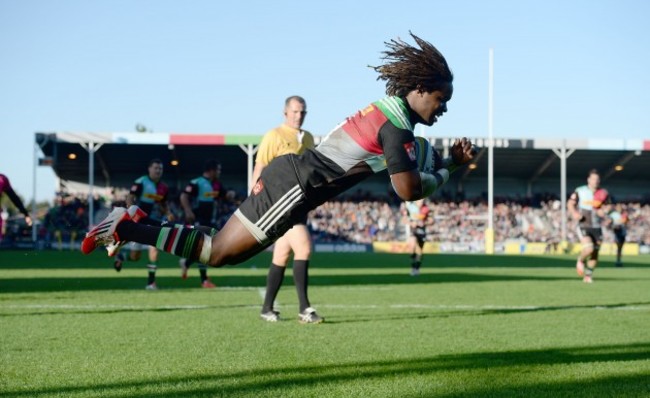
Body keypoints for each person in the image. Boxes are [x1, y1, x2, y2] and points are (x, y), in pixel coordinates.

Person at [82, 32, 476, 306]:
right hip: (295, 186)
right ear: (420, 89)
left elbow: (397, 163)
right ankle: (125, 226)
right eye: (441, 99)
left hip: (293, 181)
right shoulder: (397, 126)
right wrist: (450, 168)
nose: (443, 108)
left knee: (221, 249)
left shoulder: (387, 111)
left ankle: (134, 221)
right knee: (220, 254)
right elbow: (407, 190)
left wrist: (437, 161)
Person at [252, 95, 321, 323]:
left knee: (282, 254)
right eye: (294, 111)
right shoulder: (274, 135)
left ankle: (267, 308)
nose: (298, 116)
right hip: (280, 203)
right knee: (304, 247)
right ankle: (305, 308)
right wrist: (254, 201)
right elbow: (260, 166)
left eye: (302, 112)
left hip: (299, 202)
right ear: (285, 113)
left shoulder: (308, 138)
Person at [112, 159, 174, 290]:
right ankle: (122, 256)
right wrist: (131, 210)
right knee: (135, 257)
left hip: (153, 221)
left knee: (154, 248)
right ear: (149, 169)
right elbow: (130, 198)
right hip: (138, 222)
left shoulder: (164, 187)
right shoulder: (141, 182)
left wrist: (168, 213)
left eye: (160, 169)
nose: (158, 171)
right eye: (156, 168)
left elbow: (163, 204)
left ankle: (151, 283)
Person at [178, 159, 224, 288]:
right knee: (205, 247)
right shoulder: (197, 183)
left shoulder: (217, 184)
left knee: (206, 249)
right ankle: (204, 280)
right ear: (211, 170)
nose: (220, 172)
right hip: (199, 220)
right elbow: (183, 196)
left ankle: (186, 264)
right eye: (218, 170)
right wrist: (188, 211)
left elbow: (224, 195)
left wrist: (230, 195)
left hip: (211, 221)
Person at [567, 169, 610, 283]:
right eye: (593, 179)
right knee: (589, 248)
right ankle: (580, 260)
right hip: (584, 224)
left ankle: (588, 275)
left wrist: (604, 212)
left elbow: (608, 207)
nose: (595, 181)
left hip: (597, 227)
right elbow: (570, 203)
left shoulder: (603, 193)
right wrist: (574, 213)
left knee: (595, 253)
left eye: (597, 179)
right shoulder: (580, 191)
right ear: (588, 180)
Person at [405, 199, 429, 276]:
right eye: (419, 200)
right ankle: (413, 266)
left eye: (422, 201)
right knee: (412, 247)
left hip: (422, 232)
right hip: (413, 231)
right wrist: (411, 223)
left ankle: (416, 268)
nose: (421, 202)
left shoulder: (426, 209)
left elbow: (431, 220)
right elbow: (404, 219)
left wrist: (424, 223)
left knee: (419, 252)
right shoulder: (410, 207)